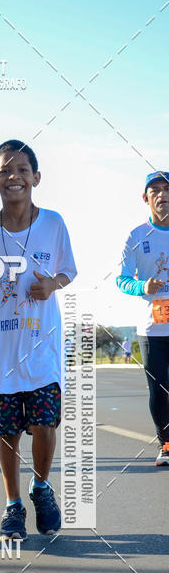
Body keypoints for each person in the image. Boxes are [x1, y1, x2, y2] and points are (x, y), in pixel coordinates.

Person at [0, 140, 77, 541]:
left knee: (45, 423)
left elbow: (68, 271)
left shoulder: (53, 224)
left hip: (41, 348)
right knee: (8, 433)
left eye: (23, 169)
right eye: (6, 170)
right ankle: (13, 505)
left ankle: (41, 487)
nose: (15, 176)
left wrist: (52, 283)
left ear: (36, 177)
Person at [117, 171, 169, 465]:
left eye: (167, 189)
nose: (162, 195)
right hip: (153, 329)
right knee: (159, 388)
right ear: (146, 198)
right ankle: (166, 443)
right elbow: (122, 280)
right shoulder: (136, 236)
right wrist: (142, 287)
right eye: (155, 190)